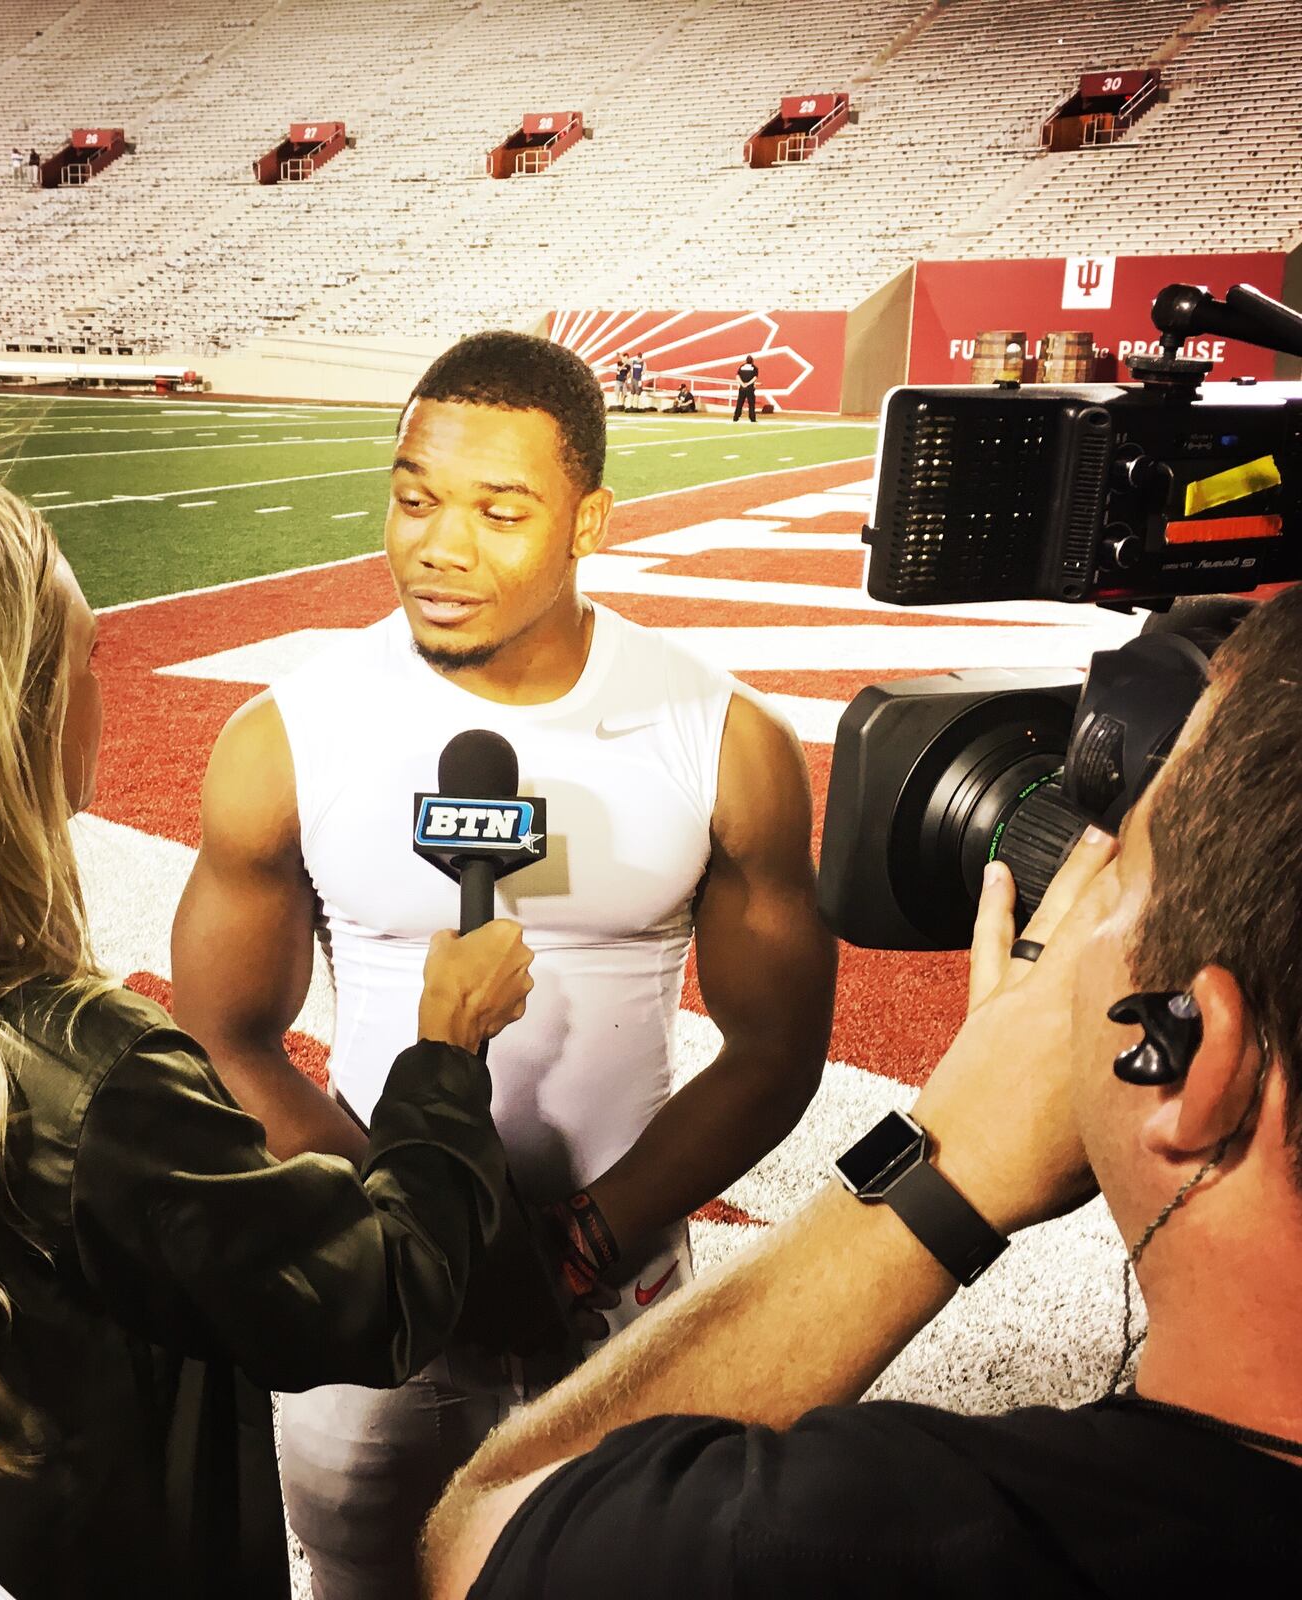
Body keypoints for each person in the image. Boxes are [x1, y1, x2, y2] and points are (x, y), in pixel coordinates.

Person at [0, 462, 536, 1600]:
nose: (102, 694)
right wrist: (444, 1055)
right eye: (81, 658)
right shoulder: (91, 1077)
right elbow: (374, 1298)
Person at [424, 585, 1302, 1598]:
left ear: (1195, 1064)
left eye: (1115, 865)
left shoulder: (899, 1539)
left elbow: (484, 1539)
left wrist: (950, 1162)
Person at [172, 330, 836, 1599]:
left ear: (589, 518)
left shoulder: (722, 734)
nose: (439, 544)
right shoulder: (286, 734)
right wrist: (410, 1228)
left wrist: (584, 1241)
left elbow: (775, 1048)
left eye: (498, 509)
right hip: (375, 1291)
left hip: (623, 1293)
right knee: (364, 1577)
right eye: (414, 497)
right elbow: (223, 1033)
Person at [733, 354, 759, 421]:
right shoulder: (754, 368)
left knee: (739, 403)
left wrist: (742, 384)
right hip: (750, 388)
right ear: (752, 361)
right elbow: (755, 378)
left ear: (746, 360)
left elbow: (737, 376)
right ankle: (752, 418)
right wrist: (748, 384)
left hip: (742, 388)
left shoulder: (742, 367)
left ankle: (736, 417)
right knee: (751, 404)